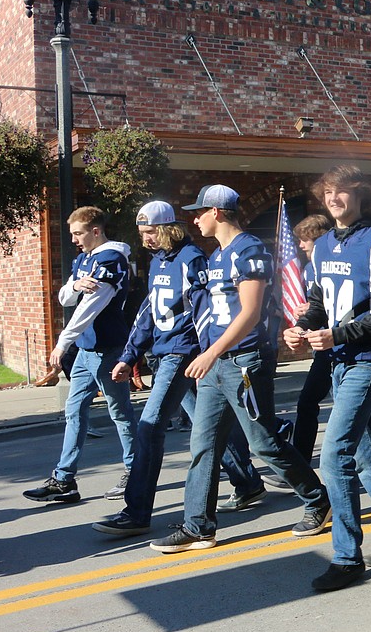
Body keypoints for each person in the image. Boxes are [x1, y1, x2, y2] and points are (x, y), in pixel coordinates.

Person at [150, 185, 330, 554]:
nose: (194, 219)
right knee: (203, 446)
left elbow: (249, 313)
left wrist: (210, 352)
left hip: (244, 361)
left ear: (216, 212)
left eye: (198, 212)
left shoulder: (250, 250)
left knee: (263, 443)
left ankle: (318, 498)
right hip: (217, 363)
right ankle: (198, 526)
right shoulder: (217, 256)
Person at [284, 165, 371, 592]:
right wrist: (302, 325)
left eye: (342, 192)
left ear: (360, 195)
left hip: (369, 357)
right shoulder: (322, 244)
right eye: (328, 192)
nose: (334, 198)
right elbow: (319, 299)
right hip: (338, 359)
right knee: (368, 452)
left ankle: (347, 557)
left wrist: (337, 334)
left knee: (334, 453)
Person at [93, 201, 266, 535]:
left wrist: (209, 355)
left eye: (149, 232)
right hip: (165, 354)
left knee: (150, 427)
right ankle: (247, 482)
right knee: (212, 426)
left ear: (166, 229)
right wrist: (131, 356)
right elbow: (148, 313)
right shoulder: (158, 261)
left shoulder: (192, 260)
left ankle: (136, 511)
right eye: (141, 233)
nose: (144, 239)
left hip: (183, 354)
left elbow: (207, 312)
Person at [24, 206, 136, 504]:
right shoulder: (85, 259)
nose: (74, 239)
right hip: (87, 351)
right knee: (74, 412)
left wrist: (62, 342)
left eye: (78, 233)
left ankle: (135, 471)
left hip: (108, 349)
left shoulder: (111, 258)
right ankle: (64, 480)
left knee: (120, 412)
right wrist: (74, 284)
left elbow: (90, 307)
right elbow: (64, 297)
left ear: (95, 231)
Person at [289, 213, 334, 464]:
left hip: (340, 340)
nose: (301, 245)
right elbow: (316, 304)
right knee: (307, 403)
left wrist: (315, 308)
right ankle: (301, 462)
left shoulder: (332, 263)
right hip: (322, 346)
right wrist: (307, 312)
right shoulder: (308, 269)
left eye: (306, 239)